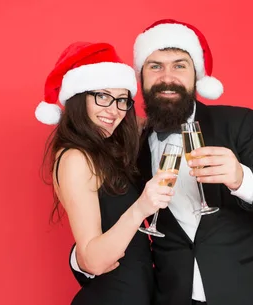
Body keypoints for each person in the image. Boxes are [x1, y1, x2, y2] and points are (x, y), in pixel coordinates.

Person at [69, 19, 253, 305]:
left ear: (196, 75)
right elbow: (110, 215)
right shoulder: (133, 144)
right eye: (155, 66)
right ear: (140, 78)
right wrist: (82, 261)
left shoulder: (238, 123)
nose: (167, 77)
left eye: (179, 65)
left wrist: (241, 178)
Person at [36, 41, 177, 305]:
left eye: (122, 100)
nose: (113, 111)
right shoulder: (76, 158)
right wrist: (141, 208)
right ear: (79, 98)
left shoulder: (107, 150)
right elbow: (93, 261)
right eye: (102, 96)